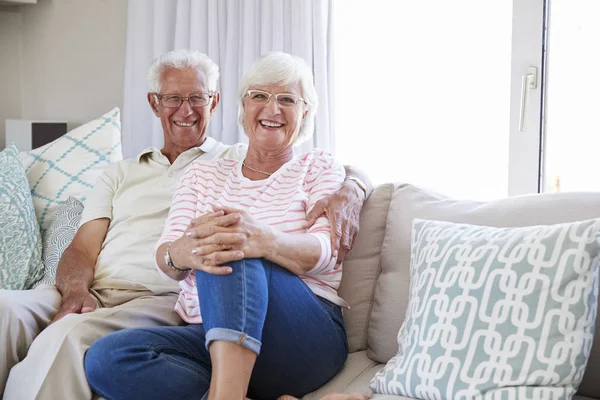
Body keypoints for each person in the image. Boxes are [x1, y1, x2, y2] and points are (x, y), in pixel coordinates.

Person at [0, 49, 369, 400]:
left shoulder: (317, 165)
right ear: (244, 106)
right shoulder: (204, 174)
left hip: (301, 335)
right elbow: (166, 253)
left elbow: (324, 252)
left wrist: (265, 239)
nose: (272, 109)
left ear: (306, 113)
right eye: (259, 96)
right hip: (215, 331)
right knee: (107, 359)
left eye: (288, 100)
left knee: (227, 244)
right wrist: (179, 253)